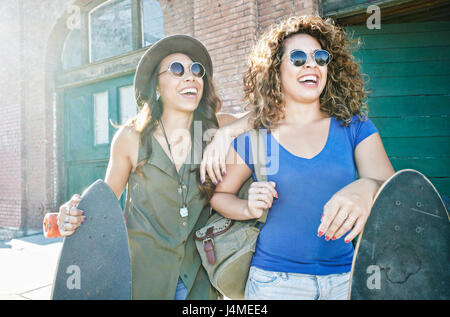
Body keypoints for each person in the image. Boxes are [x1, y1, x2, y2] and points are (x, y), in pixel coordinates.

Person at [206, 15, 395, 300]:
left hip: (345, 279)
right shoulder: (256, 137)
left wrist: (367, 188)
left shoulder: (354, 127)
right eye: (297, 58)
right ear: (275, 70)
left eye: (320, 57)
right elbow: (219, 197)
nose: (311, 64)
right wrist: (247, 207)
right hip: (274, 284)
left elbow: (394, 191)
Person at [55, 35, 221, 300]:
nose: (190, 77)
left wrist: (227, 133)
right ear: (156, 84)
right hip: (144, 280)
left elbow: (263, 117)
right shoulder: (130, 138)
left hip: (200, 281)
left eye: (196, 70)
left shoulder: (213, 130)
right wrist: (72, 211)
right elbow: (104, 205)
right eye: (177, 69)